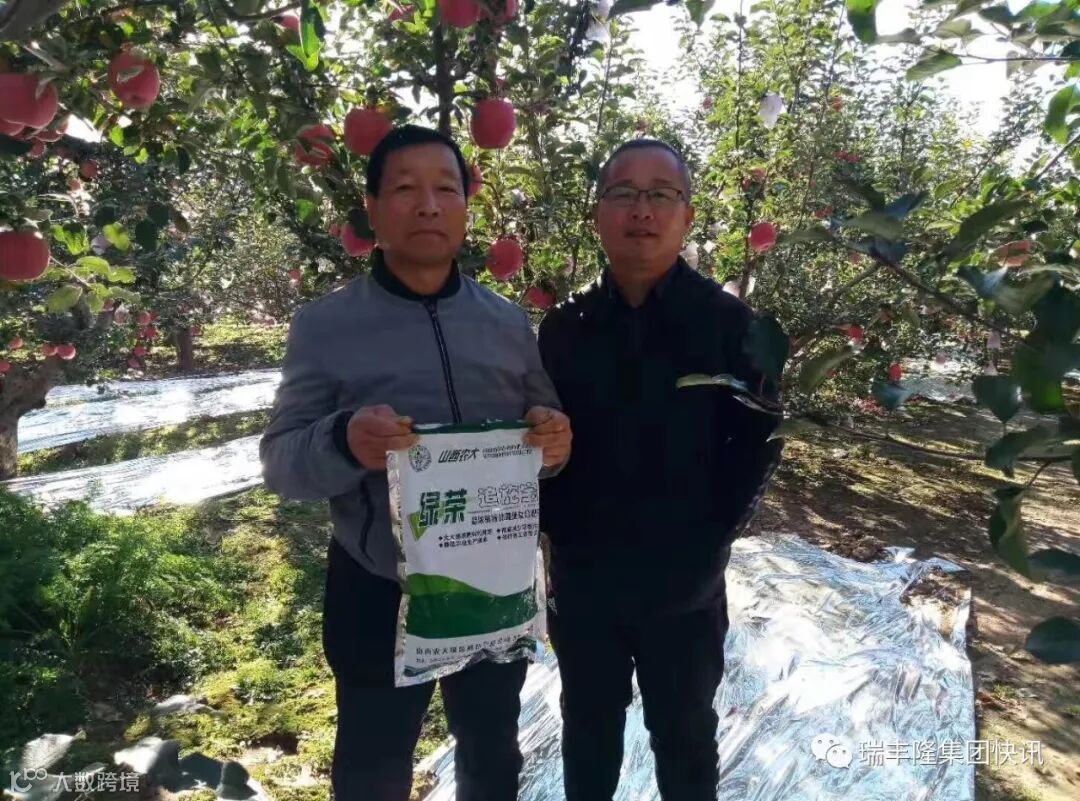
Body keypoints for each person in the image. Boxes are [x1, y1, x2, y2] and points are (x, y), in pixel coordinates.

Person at [260, 124, 572, 801]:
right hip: (379, 587)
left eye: (445, 189)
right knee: (373, 765)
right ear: (371, 210)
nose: (428, 205)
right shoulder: (326, 326)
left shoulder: (507, 323)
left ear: (465, 206)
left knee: (491, 752)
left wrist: (552, 443)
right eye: (405, 189)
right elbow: (281, 464)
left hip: (492, 585)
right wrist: (344, 440)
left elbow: (543, 429)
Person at [537, 138, 783, 801]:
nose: (641, 211)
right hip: (585, 581)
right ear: (599, 213)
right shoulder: (564, 328)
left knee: (684, 734)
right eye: (623, 193)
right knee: (588, 726)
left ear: (687, 216)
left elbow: (759, 443)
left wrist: (711, 543)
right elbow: (541, 442)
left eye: (660, 195)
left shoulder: (730, 325)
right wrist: (558, 536)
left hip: (684, 585)